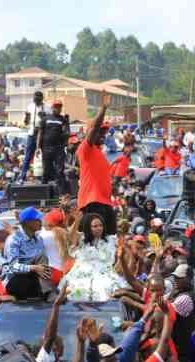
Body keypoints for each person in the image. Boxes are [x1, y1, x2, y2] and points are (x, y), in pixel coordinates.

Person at [61, 213, 127, 302]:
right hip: (81, 273)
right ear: (88, 228)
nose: (99, 228)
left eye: (100, 225)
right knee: (77, 290)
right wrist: (77, 221)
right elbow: (70, 236)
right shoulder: (81, 239)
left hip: (105, 273)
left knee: (108, 288)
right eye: (95, 226)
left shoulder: (111, 240)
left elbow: (121, 254)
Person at [77, 91, 117, 235]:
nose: (102, 135)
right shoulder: (85, 149)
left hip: (106, 202)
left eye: (104, 133)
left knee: (111, 241)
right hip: (92, 203)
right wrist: (104, 109)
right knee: (93, 244)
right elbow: (94, 129)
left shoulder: (100, 153)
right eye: (100, 132)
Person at [1, 206, 52, 300]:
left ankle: (47, 291)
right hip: (15, 280)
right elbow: (12, 267)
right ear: (28, 222)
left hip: (32, 277)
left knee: (42, 257)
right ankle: (47, 292)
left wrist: (38, 269)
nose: (41, 222)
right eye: (37, 220)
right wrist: (34, 268)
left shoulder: (38, 239)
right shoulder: (14, 240)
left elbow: (40, 262)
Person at [36, 99, 70, 192]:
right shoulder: (46, 119)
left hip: (59, 149)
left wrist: (67, 125)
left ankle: (62, 192)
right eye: (56, 106)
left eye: (60, 107)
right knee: (46, 170)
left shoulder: (63, 120)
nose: (58, 108)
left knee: (60, 171)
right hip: (46, 148)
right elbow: (40, 133)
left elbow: (67, 133)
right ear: (52, 107)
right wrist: (38, 147)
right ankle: (43, 192)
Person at [21, 91, 46, 182]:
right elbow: (26, 122)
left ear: (42, 98)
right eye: (35, 98)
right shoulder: (30, 106)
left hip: (42, 134)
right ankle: (22, 177)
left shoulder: (46, 108)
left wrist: (44, 116)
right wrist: (26, 118)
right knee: (28, 156)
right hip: (32, 133)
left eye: (38, 98)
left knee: (43, 156)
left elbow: (49, 120)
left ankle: (44, 177)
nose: (36, 100)